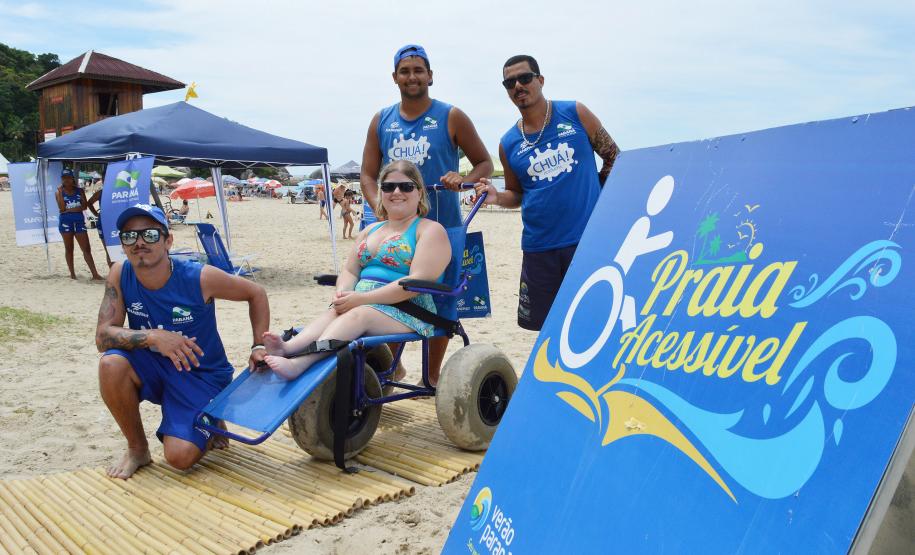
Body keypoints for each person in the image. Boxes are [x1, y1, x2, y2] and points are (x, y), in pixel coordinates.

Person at [95, 204, 270, 479]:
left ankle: (211, 414)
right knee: (110, 365)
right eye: (129, 236)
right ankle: (137, 449)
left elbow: (256, 293)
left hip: (200, 374)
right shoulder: (120, 272)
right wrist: (154, 336)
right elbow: (103, 336)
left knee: (180, 457)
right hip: (154, 365)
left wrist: (258, 346)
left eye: (150, 235)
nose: (139, 242)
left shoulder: (199, 276)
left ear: (168, 241)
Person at [360, 44, 492, 385]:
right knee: (385, 292)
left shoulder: (451, 116)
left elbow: (485, 163)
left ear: (430, 75)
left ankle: (429, 379)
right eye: (405, 71)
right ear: (395, 78)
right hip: (396, 228)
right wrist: (378, 205)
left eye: (419, 70)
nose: (412, 76)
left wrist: (463, 179)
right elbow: (367, 173)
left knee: (442, 303)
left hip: (442, 227)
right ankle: (394, 366)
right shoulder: (382, 120)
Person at [262, 161, 451, 380]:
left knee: (358, 315)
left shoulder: (429, 230)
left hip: (409, 308)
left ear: (419, 193)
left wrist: (361, 299)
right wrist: (343, 293)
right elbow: (351, 270)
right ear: (381, 193)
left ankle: (300, 364)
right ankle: (289, 348)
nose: (396, 192)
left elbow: (417, 282)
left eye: (406, 187)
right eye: (389, 187)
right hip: (364, 301)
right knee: (336, 311)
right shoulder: (371, 229)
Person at [474, 54, 620, 331]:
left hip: (586, 241)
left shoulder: (575, 113)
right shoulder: (508, 143)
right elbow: (516, 194)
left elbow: (613, 156)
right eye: (509, 82)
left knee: (595, 322)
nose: (518, 85)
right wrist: (496, 196)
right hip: (539, 248)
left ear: (540, 80)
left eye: (525, 78)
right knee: (546, 330)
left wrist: (598, 194)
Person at [56, 169, 104, 281]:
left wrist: (70, 209)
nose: (66, 180)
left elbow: (84, 206)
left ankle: (95, 274)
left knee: (86, 249)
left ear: (72, 178)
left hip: (79, 222)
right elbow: (62, 208)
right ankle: (72, 274)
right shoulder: (58, 192)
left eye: (68, 177)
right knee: (69, 249)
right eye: (64, 178)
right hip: (65, 222)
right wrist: (61, 196)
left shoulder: (79, 190)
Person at [87, 184, 113, 268]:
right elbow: (89, 203)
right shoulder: (101, 192)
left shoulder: (119, 191)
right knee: (108, 250)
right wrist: (96, 213)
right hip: (103, 222)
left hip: (115, 222)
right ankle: (113, 273)